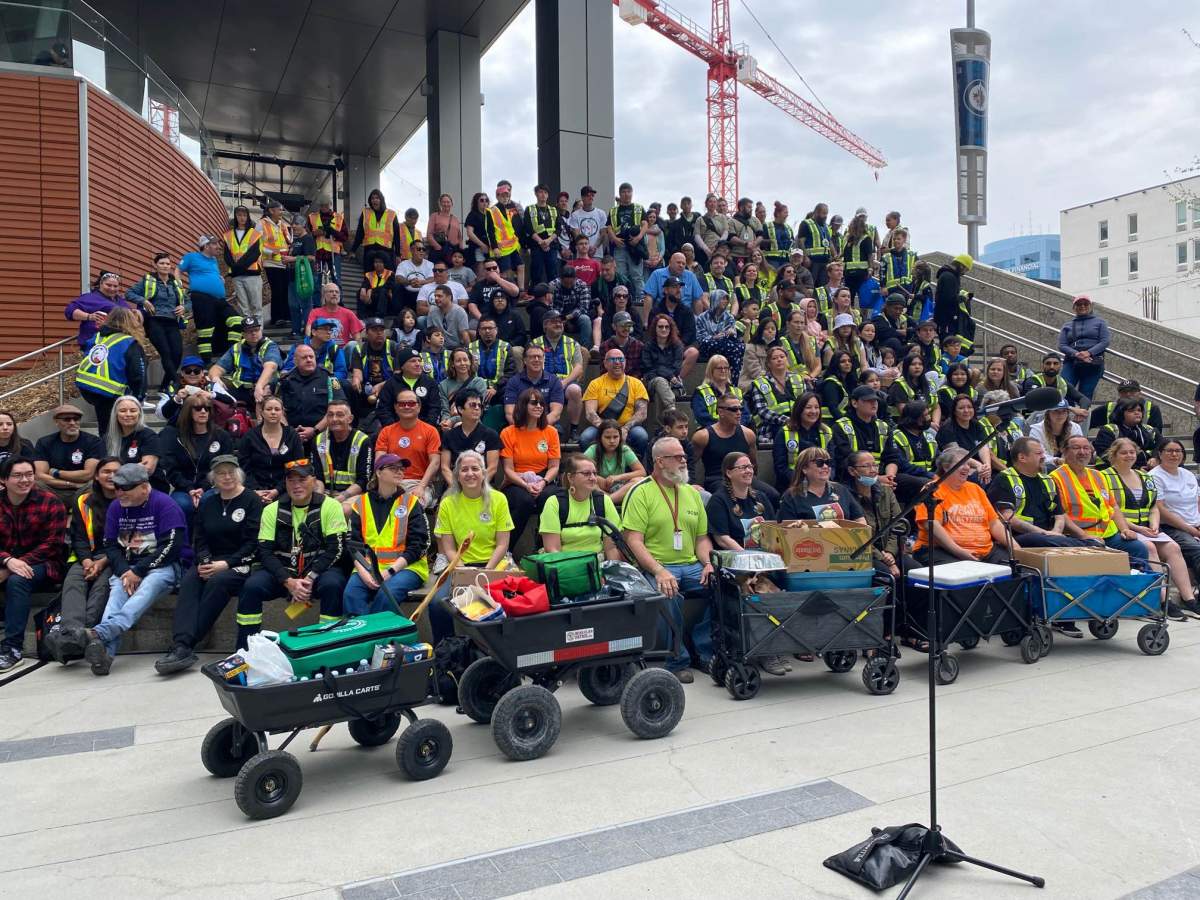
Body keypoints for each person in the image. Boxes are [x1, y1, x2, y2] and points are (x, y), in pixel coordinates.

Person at [76, 463, 187, 675]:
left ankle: (100, 632)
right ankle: (104, 655)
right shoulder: (116, 507)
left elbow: (172, 547)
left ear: (144, 487)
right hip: (128, 566)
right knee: (116, 594)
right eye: (117, 487)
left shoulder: (165, 504)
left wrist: (138, 571)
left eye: (125, 488)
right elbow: (110, 545)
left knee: (147, 587)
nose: (119, 492)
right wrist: (125, 570)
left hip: (163, 565)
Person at [156, 456, 263, 674]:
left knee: (218, 581)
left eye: (231, 472)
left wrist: (226, 564)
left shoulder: (251, 500)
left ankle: (186, 645)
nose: (226, 477)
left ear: (239, 474)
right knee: (190, 580)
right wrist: (204, 561)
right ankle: (181, 644)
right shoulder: (209, 502)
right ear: (213, 478)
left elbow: (254, 543)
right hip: (212, 559)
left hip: (242, 562)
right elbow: (200, 537)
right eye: (221, 473)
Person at [621, 437, 715, 682]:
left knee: (724, 584)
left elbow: (702, 539)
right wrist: (659, 570)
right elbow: (634, 541)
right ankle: (677, 660)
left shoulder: (691, 493)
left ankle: (704, 650)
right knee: (667, 593)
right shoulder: (641, 492)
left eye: (684, 456)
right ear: (660, 462)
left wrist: (707, 564)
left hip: (692, 564)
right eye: (678, 457)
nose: (684, 461)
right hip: (656, 564)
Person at [235, 458, 346, 648]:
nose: (296, 485)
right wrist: (289, 582)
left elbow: (336, 549)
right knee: (251, 587)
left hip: (317, 572)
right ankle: (246, 649)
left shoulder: (331, 506)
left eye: (302, 480)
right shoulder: (271, 509)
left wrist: (309, 579)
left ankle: (327, 646)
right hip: (284, 574)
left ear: (314, 480)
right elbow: (265, 552)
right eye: (291, 480)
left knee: (333, 584)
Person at [1104, 438, 1195, 620]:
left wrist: (1153, 524)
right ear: (1114, 455)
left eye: (1132, 452)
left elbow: (1154, 506)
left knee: (1173, 548)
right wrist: (1138, 528)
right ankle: (1162, 601)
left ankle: (1189, 599)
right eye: (1124, 453)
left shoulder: (1144, 476)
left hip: (1147, 528)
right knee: (1150, 548)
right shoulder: (1105, 477)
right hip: (1122, 529)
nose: (1129, 456)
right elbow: (1111, 510)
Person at [429, 451, 514, 641]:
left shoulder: (498, 499)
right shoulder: (447, 504)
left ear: (483, 473)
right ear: (457, 475)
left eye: (475, 469)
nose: (470, 474)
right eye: (464, 470)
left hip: (494, 564)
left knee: (506, 602)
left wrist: (486, 573)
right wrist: (462, 571)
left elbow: (502, 544)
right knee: (436, 604)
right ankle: (447, 652)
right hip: (460, 566)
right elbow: (449, 548)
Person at [44, 457, 120, 663]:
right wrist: (87, 561)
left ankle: (70, 637)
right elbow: (78, 536)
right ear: (96, 475)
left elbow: (126, 541)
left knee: (101, 587)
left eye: (116, 471)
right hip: (87, 556)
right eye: (106, 471)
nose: (111, 475)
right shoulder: (83, 500)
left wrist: (101, 562)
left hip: (116, 557)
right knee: (73, 582)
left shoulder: (127, 499)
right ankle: (73, 633)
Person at [0, 457, 68, 671]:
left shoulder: (50, 501)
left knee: (18, 580)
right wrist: (7, 560)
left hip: (46, 565)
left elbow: (52, 544)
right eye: (18, 475)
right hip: (7, 562)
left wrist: (14, 565)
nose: (25, 480)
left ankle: (12, 648)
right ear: (3, 479)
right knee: (16, 575)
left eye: (29, 474)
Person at [344, 453, 431, 616]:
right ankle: (359, 639)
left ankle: (376, 638)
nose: (400, 472)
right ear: (378, 472)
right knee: (351, 595)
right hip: (367, 568)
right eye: (393, 468)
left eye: (401, 468)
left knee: (386, 595)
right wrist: (364, 572)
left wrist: (388, 572)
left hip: (406, 568)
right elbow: (353, 545)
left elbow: (419, 546)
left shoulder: (411, 503)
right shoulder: (360, 503)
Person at [1052, 435, 1148, 561]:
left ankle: (1137, 579)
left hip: (1108, 534)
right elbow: (1060, 514)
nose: (1082, 452)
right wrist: (1084, 535)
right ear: (1064, 451)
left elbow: (1112, 506)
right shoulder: (1055, 477)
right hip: (1077, 536)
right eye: (1076, 448)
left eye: (1086, 448)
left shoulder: (1098, 475)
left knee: (1138, 548)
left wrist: (1125, 529)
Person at [912, 446, 1009, 566]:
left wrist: (1016, 548)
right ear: (946, 467)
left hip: (986, 551)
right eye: (961, 463)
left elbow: (994, 523)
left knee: (1016, 568)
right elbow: (931, 526)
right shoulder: (933, 489)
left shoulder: (976, 489)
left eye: (968, 464)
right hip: (942, 550)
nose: (966, 467)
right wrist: (961, 552)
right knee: (967, 574)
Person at [987, 437, 1089, 549]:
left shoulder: (1048, 480)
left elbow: (1059, 515)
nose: (1044, 457)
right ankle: (1087, 546)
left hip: (1049, 537)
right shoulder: (1004, 479)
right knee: (1047, 540)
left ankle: (1089, 544)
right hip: (1017, 536)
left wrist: (1056, 532)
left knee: (1080, 542)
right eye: (1038, 453)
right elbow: (1007, 518)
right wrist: (1045, 533)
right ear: (1022, 457)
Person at [157, 392, 234, 521]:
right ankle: (183, 540)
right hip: (183, 488)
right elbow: (171, 469)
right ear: (188, 412)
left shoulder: (221, 436)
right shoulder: (176, 437)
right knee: (181, 504)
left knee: (208, 500)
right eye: (198, 409)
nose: (203, 412)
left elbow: (224, 466)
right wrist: (190, 489)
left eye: (207, 408)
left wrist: (203, 488)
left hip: (214, 486)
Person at [74, 306, 148, 438]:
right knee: (118, 430)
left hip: (87, 386)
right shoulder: (129, 342)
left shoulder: (98, 337)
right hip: (109, 389)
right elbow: (137, 373)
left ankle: (105, 451)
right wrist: (139, 397)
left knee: (105, 427)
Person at [501, 388, 562, 545]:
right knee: (524, 501)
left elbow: (554, 466)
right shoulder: (508, 433)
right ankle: (507, 548)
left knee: (551, 499)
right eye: (534, 402)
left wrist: (542, 483)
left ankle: (543, 546)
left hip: (544, 478)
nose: (539, 406)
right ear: (522, 405)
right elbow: (508, 470)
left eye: (542, 403)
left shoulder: (551, 432)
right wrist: (526, 485)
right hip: (517, 480)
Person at [692, 393, 776, 501]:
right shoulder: (703, 436)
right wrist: (692, 485)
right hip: (717, 479)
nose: (739, 413)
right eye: (734, 409)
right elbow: (690, 462)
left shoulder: (748, 434)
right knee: (727, 497)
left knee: (772, 495)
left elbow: (754, 464)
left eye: (740, 409)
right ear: (721, 412)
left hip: (743, 477)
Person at [538, 454, 623, 556]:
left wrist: (611, 570)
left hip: (597, 565)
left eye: (594, 473)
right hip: (564, 565)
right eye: (586, 473)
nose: (592, 478)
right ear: (570, 477)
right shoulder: (554, 503)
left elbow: (611, 549)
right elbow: (552, 550)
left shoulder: (604, 501)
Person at [128, 251, 189, 392]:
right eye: (162, 263)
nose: (165, 266)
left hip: (172, 322)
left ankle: (164, 386)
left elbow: (188, 300)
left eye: (167, 263)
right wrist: (143, 300)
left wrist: (184, 307)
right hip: (154, 321)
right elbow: (129, 293)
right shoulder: (147, 280)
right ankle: (177, 383)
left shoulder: (176, 283)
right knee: (166, 353)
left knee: (178, 353)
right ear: (155, 265)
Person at [846, 450, 906, 583]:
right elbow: (855, 536)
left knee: (916, 572)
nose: (873, 470)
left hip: (891, 551)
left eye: (875, 465)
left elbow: (899, 523)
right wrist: (883, 558)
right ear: (852, 471)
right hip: (866, 555)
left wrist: (890, 552)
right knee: (887, 577)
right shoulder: (846, 497)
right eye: (866, 466)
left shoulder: (886, 491)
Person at [180, 235, 241, 362]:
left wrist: (219, 279)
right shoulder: (191, 257)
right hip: (202, 298)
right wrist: (178, 287)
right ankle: (207, 362)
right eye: (214, 244)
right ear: (206, 246)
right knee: (205, 330)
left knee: (236, 321)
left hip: (219, 299)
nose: (218, 247)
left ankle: (229, 355)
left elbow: (210, 273)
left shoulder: (213, 260)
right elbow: (177, 270)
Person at [1150, 439, 1200, 595]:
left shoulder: (1188, 474)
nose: (1174, 454)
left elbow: (1197, 501)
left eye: (1178, 451)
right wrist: (1191, 530)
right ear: (1160, 453)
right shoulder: (1155, 476)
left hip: (1194, 525)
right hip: (1172, 527)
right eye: (1169, 451)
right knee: (1197, 550)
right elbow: (1161, 508)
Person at [579, 348, 650, 455]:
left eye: (620, 359)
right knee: (586, 438)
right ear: (605, 363)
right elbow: (590, 413)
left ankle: (634, 469)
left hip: (628, 427)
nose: (617, 362)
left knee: (641, 436)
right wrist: (606, 430)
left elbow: (642, 413)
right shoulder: (595, 384)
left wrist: (625, 428)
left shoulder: (636, 383)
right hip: (602, 426)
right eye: (612, 359)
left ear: (625, 362)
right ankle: (593, 468)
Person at [375, 391, 440, 507]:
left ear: (419, 407)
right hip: (390, 482)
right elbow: (379, 461)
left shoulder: (430, 431)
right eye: (402, 404)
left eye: (411, 403)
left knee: (411, 506)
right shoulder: (386, 432)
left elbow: (435, 462)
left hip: (418, 483)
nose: (406, 407)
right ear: (395, 407)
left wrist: (421, 487)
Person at [239, 395, 304, 505]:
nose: (273, 412)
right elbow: (244, 467)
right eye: (269, 409)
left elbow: (297, 467)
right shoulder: (250, 436)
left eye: (277, 409)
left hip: (285, 489)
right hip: (255, 489)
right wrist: (255, 490)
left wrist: (277, 490)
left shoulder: (292, 435)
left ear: (282, 412)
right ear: (262, 412)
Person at [34, 404, 103, 505]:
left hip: (83, 490)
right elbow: (40, 476)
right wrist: (72, 484)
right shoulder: (44, 442)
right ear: (56, 421)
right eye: (67, 419)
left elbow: (88, 474)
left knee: (96, 484)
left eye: (76, 419)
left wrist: (55, 472)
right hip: (55, 490)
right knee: (35, 484)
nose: (72, 423)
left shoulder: (93, 441)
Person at [707, 451, 775, 552]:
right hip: (735, 558)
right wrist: (746, 556)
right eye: (743, 468)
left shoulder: (761, 497)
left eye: (750, 467)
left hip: (764, 556)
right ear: (729, 473)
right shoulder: (718, 501)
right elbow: (722, 540)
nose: (748, 471)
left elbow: (773, 529)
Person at [209, 316, 282, 411]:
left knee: (264, 396)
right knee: (212, 389)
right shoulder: (237, 348)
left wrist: (259, 386)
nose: (254, 333)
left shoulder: (270, 346)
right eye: (249, 331)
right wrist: (215, 377)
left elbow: (270, 367)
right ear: (243, 334)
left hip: (265, 388)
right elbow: (217, 368)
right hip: (241, 389)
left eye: (256, 330)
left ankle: (261, 423)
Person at [278, 344, 347, 443]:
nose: (309, 360)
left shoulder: (329, 378)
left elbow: (339, 407)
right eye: (304, 357)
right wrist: (289, 432)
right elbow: (277, 409)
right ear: (295, 361)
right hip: (291, 437)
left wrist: (315, 430)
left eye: (311, 357)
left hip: (324, 435)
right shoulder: (286, 380)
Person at [832, 385, 900, 485]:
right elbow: (844, 463)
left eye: (875, 400)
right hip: (852, 478)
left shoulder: (883, 426)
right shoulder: (840, 427)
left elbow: (892, 457)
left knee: (918, 484)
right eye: (868, 401)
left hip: (881, 476)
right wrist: (877, 479)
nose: (873, 404)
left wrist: (890, 477)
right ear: (854, 403)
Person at [778, 446, 865, 522]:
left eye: (828, 462)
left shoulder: (841, 490)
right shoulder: (791, 496)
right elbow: (787, 529)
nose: (825, 466)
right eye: (819, 463)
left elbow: (860, 519)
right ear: (804, 468)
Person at [314, 399, 372, 505]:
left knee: (343, 510)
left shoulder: (363, 440)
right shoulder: (318, 440)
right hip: (325, 492)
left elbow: (363, 481)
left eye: (340, 415)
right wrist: (319, 499)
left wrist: (340, 498)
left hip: (352, 494)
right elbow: (317, 477)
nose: (334, 419)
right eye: (330, 415)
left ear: (350, 419)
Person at [64, 271, 141, 351]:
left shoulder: (119, 300)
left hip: (119, 342)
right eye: (108, 285)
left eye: (115, 286)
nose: (112, 289)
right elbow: (70, 311)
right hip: (96, 343)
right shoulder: (90, 298)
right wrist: (89, 316)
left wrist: (135, 313)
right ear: (101, 283)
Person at [440, 388, 501, 484]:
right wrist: (457, 487)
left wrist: (476, 487)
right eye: (473, 405)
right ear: (460, 409)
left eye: (479, 405)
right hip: (455, 486)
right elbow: (445, 468)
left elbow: (492, 468)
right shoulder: (449, 435)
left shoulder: (491, 435)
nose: (477, 408)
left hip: (484, 486)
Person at [1058, 295, 1110, 402]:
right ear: (1074, 308)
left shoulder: (1100, 322)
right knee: (1064, 388)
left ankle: (1082, 416)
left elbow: (1105, 341)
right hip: (1072, 361)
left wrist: (1089, 353)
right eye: (1079, 304)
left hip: (1092, 361)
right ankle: (1066, 415)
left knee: (1086, 392)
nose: (1082, 306)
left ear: (1090, 306)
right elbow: (1062, 345)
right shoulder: (1067, 325)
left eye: (1085, 304)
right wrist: (1076, 354)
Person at [375, 347, 441, 428]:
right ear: (402, 366)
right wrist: (394, 428)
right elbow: (383, 409)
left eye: (419, 361)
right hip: (395, 428)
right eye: (413, 361)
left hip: (424, 429)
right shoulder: (391, 384)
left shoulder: (430, 383)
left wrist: (425, 428)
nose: (418, 364)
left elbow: (435, 408)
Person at [649, 276, 701, 380]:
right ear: (666, 290)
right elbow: (652, 332)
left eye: (680, 287)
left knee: (693, 352)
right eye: (674, 287)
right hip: (661, 345)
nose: (678, 290)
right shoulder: (656, 310)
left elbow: (690, 333)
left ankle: (676, 381)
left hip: (681, 345)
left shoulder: (686, 311)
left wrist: (677, 345)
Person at [585, 419, 646, 506]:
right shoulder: (593, 449)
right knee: (585, 481)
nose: (612, 441)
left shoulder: (624, 450)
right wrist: (597, 478)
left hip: (618, 487)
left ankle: (608, 500)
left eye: (615, 437)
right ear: (600, 438)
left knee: (639, 480)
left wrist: (618, 477)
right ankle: (609, 499)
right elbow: (580, 469)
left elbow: (642, 472)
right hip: (598, 486)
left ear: (620, 437)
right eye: (607, 437)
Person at [503, 343, 565, 428]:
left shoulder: (554, 381)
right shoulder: (514, 381)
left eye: (539, 357)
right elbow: (510, 413)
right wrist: (526, 429)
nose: (536, 360)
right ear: (525, 360)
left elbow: (555, 414)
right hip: (520, 427)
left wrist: (536, 428)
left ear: (544, 359)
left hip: (546, 426)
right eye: (532, 357)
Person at [936, 394, 995, 484]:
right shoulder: (947, 428)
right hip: (954, 467)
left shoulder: (977, 425)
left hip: (975, 466)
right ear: (954, 411)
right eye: (961, 408)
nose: (966, 410)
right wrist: (978, 465)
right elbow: (956, 454)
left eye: (969, 407)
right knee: (978, 478)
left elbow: (983, 448)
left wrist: (987, 467)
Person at [1092, 399, 1160, 470]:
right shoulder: (1109, 429)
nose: (1137, 413)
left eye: (1139, 410)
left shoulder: (1148, 429)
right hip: (1110, 470)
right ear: (1121, 414)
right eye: (1131, 411)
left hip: (1144, 469)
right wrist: (1138, 467)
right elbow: (1106, 455)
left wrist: (1154, 457)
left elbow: (1162, 444)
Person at [224, 205, 264, 320]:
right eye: (239, 215)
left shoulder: (254, 234)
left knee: (256, 307)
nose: (242, 218)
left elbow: (254, 253)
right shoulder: (228, 235)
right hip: (237, 275)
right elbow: (227, 255)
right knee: (243, 308)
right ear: (235, 217)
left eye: (244, 215)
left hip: (252, 273)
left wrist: (238, 266)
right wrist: (235, 267)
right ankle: (248, 334)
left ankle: (258, 335)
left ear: (248, 217)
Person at [696, 290, 745, 383]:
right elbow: (700, 337)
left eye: (727, 299)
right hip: (707, 345)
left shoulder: (729, 317)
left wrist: (731, 332)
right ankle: (735, 383)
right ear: (715, 299)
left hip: (726, 344)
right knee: (736, 350)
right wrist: (713, 337)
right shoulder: (702, 317)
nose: (726, 301)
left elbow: (733, 335)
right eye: (723, 299)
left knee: (741, 348)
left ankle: (733, 382)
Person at [257, 200, 293, 326]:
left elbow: (288, 241)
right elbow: (257, 245)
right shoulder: (262, 224)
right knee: (277, 290)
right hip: (271, 262)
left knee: (285, 290)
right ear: (271, 210)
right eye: (280, 209)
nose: (281, 212)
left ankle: (286, 316)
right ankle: (277, 317)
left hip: (284, 262)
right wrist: (271, 253)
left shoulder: (282, 225)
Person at [350, 188, 401, 272]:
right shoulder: (365, 213)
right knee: (369, 277)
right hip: (370, 251)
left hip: (386, 252)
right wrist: (353, 250)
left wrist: (398, 255)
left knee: (387, 278)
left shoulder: (391, 214)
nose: (374, 200)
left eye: (377, 198)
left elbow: (396, 236)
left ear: (381, 200)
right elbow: (359, 233)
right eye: (372, 198)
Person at [106, 395, 159, 474]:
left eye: (133, 411)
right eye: (123, 411)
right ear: (116, 415)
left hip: (147, 484)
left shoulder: (149, 436)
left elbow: (147, 469)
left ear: (139, 414)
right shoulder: (108, 438)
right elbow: (102, 468)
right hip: (116, 484)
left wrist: (115, 471)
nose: (128, 414)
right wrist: (135, 467)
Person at [285, 215, 318, 339]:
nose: (293, 226)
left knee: (306, 305)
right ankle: (295, 330)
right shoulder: (296, 240)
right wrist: (287, 260)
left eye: (296, 223)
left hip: (305, 277)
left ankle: (308, 331)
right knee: (293, 305)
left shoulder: (308, 239)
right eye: (292, 224)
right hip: (292, 276)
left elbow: (312, 257)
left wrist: (292, 258)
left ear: (303, 225)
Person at [692, 355, 745, 429]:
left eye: (726, 368)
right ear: (711, 370)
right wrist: (723, 425)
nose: (723, 371)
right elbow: (701, 416)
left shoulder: (737, 391)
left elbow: (745, 414)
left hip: (736, 429)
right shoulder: (701, 391)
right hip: (710, 431)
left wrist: (736, 425)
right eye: (719, 368)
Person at [1029, 401, 1082, 471]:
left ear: (1068, 413)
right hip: (1045, 468)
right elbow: (1037, 454)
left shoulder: (1075, 427)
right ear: (1048, 413)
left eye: (1064, 411)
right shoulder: (1036, 430)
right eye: (1056, 411)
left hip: (1069, 467)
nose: (1060, 415)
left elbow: (1079, 448)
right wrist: (1056, 460)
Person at [309, 200, 348, 287]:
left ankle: (338, 300)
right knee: (316, 281)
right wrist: (314, 234)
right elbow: (307, 235)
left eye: (326, 205)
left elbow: (345, 237)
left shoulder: (339, 218)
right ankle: (317, 301)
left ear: (330, 205)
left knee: (336, 280)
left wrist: (333, 232)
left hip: (334, 254)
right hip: (318, 253)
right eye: (322, 205)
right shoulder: (312, 217)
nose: (324, 207)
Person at [426, 192, 464, 267]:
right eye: (443, 202)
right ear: (440, 204)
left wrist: (460, 250)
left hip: (453, 252)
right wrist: (438, 248)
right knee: (439, 273)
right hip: (440, 250)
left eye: (448, 202)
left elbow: (459, 236)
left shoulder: (455, 219)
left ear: (451, 204)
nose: (446, 204)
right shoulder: (435, 216)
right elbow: (429, 234)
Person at [358, 255, 395, 320]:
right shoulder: (369, 274)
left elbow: (387, 286)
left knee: (383, 291)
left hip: (386, 302)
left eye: (380, 262)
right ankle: (361, 316)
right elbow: (365, 284)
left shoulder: (390, 274)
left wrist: (371, 290)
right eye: (375, 262)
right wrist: (363, 289)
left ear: (384, 263)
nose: (378, 264)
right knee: (360, 292)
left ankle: (380, 317)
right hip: (371, 300)